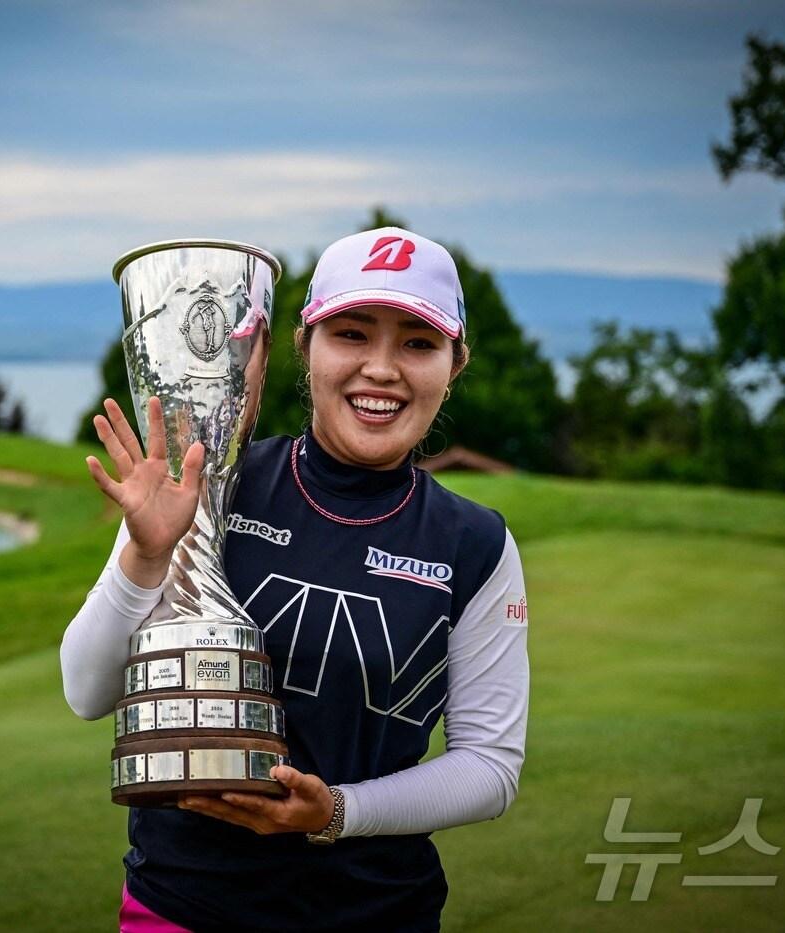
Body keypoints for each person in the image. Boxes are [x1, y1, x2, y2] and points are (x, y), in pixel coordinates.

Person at [61, 227, 530, 933]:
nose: (382, 367)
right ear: (303, 349)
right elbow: (87, 691)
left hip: (379, 914)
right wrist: (144, 555)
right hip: (183, 908)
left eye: (417, 342)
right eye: (351, 333)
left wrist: (336, 812)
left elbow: (490, 766)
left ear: (453, 364)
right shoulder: (211, 481)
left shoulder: (475, 543)